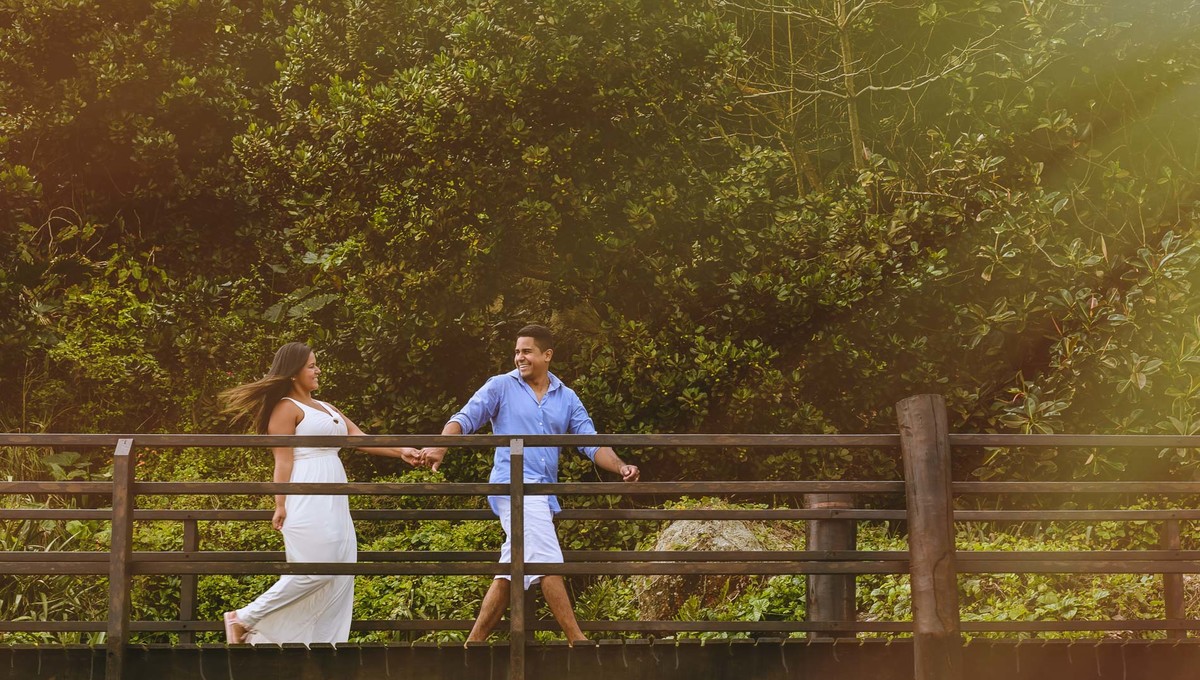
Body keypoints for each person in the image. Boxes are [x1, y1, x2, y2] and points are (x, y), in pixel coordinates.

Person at [419, 324, 640, 644]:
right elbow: (464, 418)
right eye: (516, 352)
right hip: (512, 487)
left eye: (526, 351)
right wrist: (440, 446)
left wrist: (621, 467)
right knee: (547, 558)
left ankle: (472, 645)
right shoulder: (500, 386)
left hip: (543, 493)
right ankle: (577, 641)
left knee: (512, 569)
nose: (519, 357)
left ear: (546, 355)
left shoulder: (566, 397)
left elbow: (590, 443)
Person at [218, 342, 419, 644]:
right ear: (293, 372)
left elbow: (359, 438)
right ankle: (243, 618)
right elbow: (283, 460)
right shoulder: (285, 409)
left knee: (340, 573)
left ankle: (324, 646)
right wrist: (280, 503)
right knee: (317, 570)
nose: (318, 370)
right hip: (306, 492)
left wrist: (402, 451)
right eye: (311, 365)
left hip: (335, 497)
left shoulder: (327, 408)